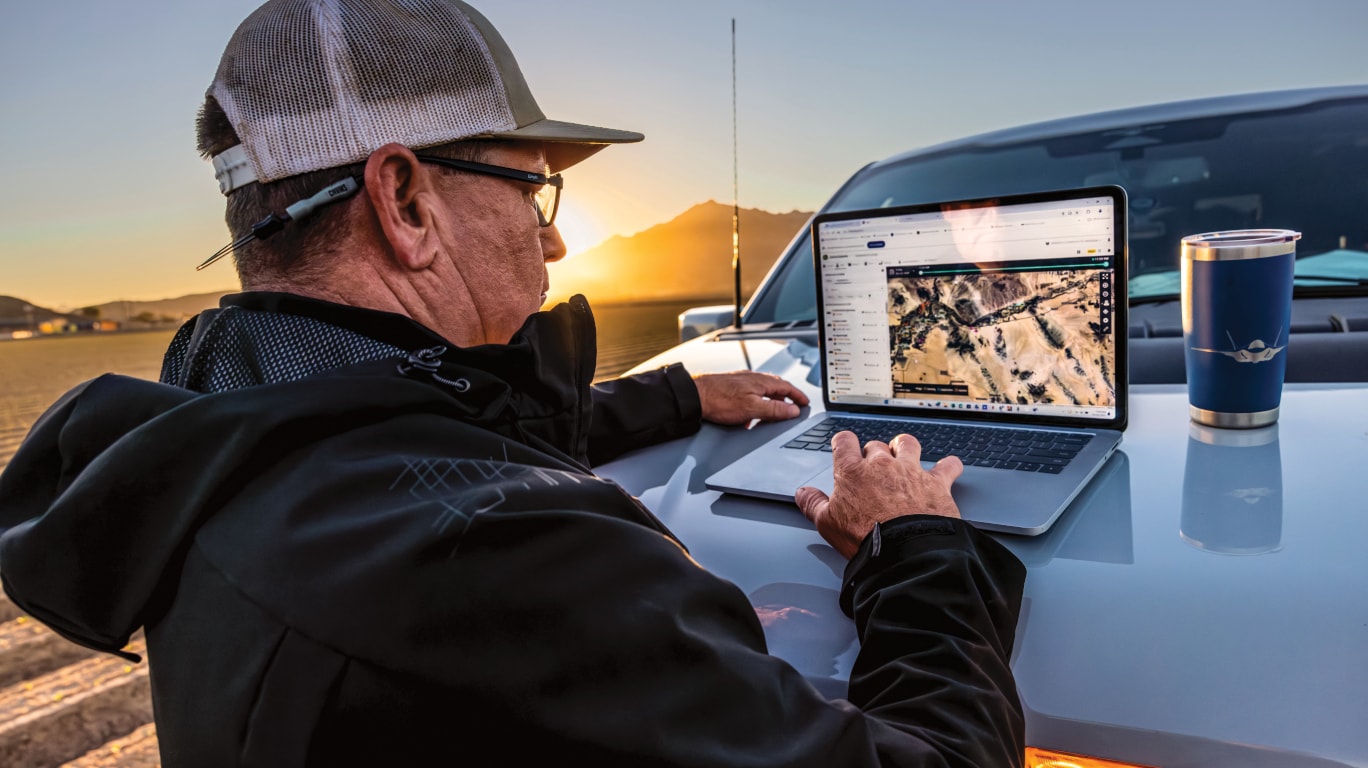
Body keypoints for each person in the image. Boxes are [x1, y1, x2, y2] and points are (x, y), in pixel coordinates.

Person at [0, 1, 1027, 765]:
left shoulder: (227, 425)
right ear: (404, 201)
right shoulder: (493, 557)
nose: (557, 234)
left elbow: (436, 420)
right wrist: (917, 547)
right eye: (534, 186)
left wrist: (677, 397)